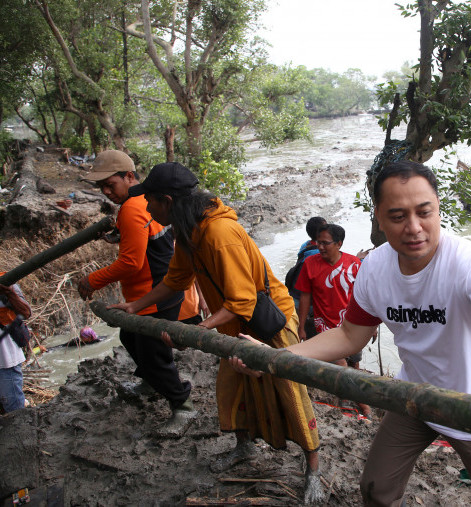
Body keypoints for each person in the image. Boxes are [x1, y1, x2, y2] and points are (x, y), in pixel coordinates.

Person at [231, 160, 471, 506]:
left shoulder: (470, 265)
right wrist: (275, 358)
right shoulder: (374, 269)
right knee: (376, 489)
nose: (413, 228)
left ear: (438, 208)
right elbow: (349, 336)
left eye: (424, 212)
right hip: (416, 397)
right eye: (397, 216)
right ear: (378, 217)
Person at [108, 162, 324, 504]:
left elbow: (243, 300)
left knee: (290, 394)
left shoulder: (219, 234)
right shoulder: (189, 231)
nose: (146, 208)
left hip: (270, 323)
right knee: (232, 387)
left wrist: (196, 329)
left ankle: (313, 470)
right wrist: (135, 306)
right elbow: (176, 280)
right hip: (234, 324)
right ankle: (244, 448)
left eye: (149, 200)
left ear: (166, 200)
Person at [76, 150, 196, 436]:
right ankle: (151, 383)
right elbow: (146, 237)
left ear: (129, 176)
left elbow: (131, 262)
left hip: (152, 293)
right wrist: (119, 235)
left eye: (110, 184)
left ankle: (183, 406)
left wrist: (92, 280)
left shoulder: (132, 207)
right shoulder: (143, 201)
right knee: (129, 336)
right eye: (101, 187)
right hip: (159, 287)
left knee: (154, 355)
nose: (106, 192)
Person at [295, 223, 371, 417]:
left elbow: (364, 295)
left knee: (354, 363)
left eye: (325, 243)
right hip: (326, 327)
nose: (320, 247)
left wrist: (372, 326)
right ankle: (365, 408)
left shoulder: (354, 264)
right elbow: (305, 297)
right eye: (318, 242)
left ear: (339, 244)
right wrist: (301, 326)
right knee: (341, 366)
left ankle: (346, 398)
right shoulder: (310, 264)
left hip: (353, 324)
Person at [0, 275, 32, 413]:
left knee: (14, 411)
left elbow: (26, 312)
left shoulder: (5, 282)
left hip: (5, 360)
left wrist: (9, 293)